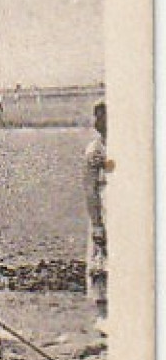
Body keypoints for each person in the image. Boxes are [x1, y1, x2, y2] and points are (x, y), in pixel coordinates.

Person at [82, 100, 107, 334]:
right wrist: (97, 223)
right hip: (104, 208)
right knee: (100, 259)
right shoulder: (95, 150)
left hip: (122, 210)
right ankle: (102, 313)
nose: (98, 123)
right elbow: (90, 189)